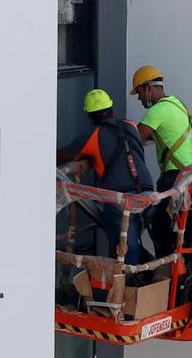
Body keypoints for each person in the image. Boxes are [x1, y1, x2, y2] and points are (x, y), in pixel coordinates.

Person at [58, 88, 153, 265]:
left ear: (90, 118)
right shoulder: (131, 125)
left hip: (121, 200)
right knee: (132, 241)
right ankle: (136, 277)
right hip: (148, 195)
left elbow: (65, 154)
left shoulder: (92, 136)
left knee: (125, 249)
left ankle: (125, 284)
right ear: (112, 110)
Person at [130, 65, 192, 257]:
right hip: (191, 174)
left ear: (149, 88)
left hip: (174, 177)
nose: (140, 99)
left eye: (140, 93)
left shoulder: (157, 111)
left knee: (157, 223)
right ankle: (177, 266)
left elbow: (136, 137)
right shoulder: (177, 103)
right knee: (181, 227)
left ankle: (165, 268)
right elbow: (167, 134)